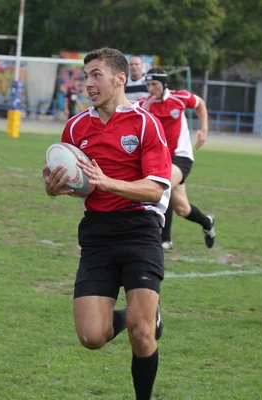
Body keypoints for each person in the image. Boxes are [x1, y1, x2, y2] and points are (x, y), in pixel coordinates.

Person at [43, 47, 171, 400]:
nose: (88, 83)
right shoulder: (75, 127)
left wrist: (108, 182)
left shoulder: (145, 123)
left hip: (139, 230)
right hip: (97, 234)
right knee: (91, 337)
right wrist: (55, 189)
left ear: (120, 78)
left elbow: (155, 189)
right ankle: (144, 316)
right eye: (85, 76)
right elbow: (76, 185)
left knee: (140, 331)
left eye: (96, 75)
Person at [139, 68, 215, 251]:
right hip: (159, 159)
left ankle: (165, 240)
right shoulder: (143, 104)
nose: (150, 88)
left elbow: (200, 104)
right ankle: (207, 222)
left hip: (181, 157)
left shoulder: (179, 98)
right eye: (148, 85)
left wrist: (204, 129)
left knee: (161, 185)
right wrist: (145, 111)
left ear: (164, 84)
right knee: (182, 209)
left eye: (154, 84)